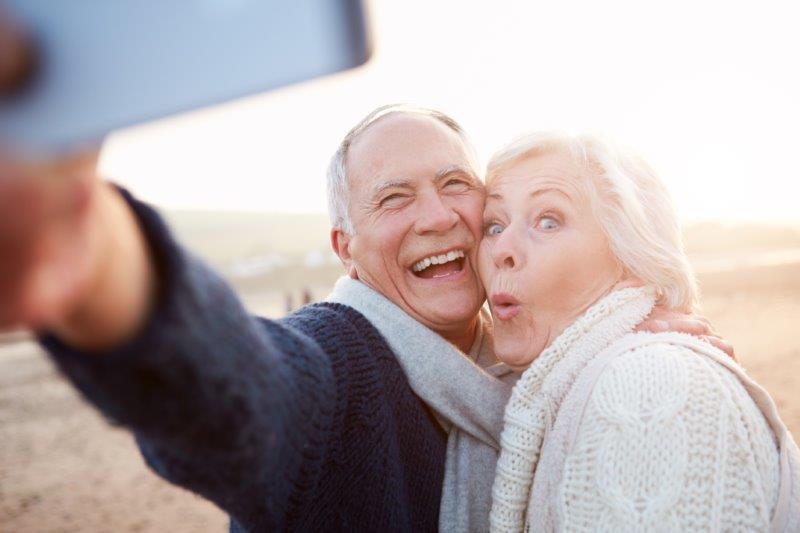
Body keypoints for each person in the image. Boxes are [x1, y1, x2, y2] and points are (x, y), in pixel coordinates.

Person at [0, 105, 731, 532]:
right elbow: (239, 390)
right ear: (345, 250)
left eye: (455, 185)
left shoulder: (531, 372)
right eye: (394, 198)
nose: (438, 215)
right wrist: (93, 256)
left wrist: (608, 338)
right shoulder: (337, 367)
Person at [478, 132, 800, 532]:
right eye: (493, 225)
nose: (500, 249)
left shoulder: (648, 384)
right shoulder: (546, 393)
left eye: (548, 221)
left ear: (631, 256)